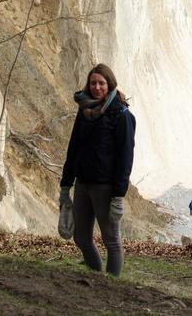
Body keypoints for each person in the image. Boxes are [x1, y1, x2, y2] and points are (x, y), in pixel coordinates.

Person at [60, 63, 136, 277]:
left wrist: (119, 195)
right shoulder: (84, 110)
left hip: (105, 187)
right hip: (82, 183)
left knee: (111, 239)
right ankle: (97, 277)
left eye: (102, 83)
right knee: (81, 237)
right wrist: (66, 184)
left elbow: (125, 158)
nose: (97, 87)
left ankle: (112, 285)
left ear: (110, 84)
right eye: (93, 82)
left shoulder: (121, 115)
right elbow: (73, 147)